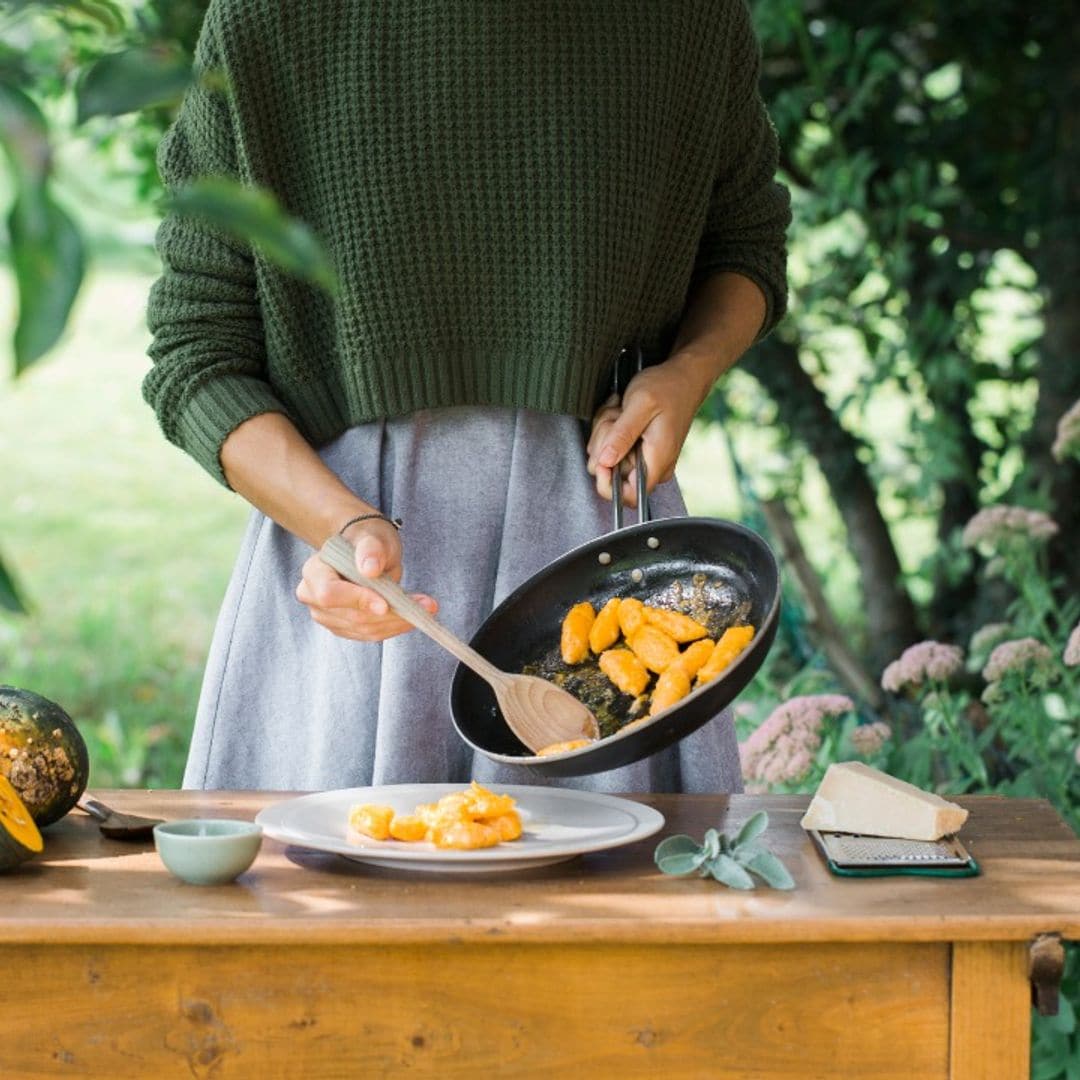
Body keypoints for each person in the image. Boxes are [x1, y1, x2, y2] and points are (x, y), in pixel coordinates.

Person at [144, 0, 791, 793]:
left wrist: (689, 368)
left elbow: (746, 244)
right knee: (336, 906)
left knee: (611, 911)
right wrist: (340, 527)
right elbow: (196, 351)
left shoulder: (688, 20)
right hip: (350, 580)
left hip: (600, 558)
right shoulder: (269, 20)